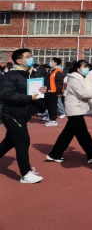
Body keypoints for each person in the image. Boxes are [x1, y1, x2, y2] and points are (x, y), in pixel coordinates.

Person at [0, 49, 47, 184]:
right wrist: (29, 97)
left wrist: (43, 91)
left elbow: (34, 93)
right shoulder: (10, 76)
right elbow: (7, 95)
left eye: (30, 56)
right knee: (23, 141)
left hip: (23, 114)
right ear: (18, 61)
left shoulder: (32, 74)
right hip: (11, 114)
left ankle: (26, 173)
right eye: (27, 56)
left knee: (10, 141)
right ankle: (25, 174)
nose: (31, 58)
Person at [46, 60, 92, 164]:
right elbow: (82, 94)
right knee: (82, 133)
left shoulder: (86, 78)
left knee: (67, 134)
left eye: (87, 67)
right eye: (84, 67)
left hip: (79, 109)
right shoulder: (73, 79)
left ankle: (54, 154)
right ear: (77, 68)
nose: (86, 69)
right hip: (74, 109)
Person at [44, 58, 65, 127]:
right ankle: (51, 119)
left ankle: (53, 120)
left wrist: (59, 92)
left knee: (52, 106)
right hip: (48, 91)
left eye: (52, 61)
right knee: (49, 106)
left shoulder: (58, 71)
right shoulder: (51, 70)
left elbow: (59, 83)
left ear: (55, 63)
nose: (50, 62)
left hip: (54, 92)